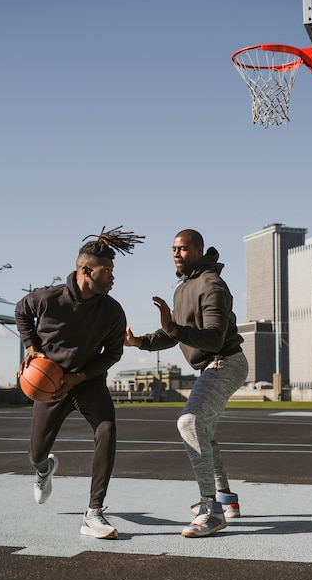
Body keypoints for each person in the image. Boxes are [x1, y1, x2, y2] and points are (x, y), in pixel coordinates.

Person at [15, 226, 144, 540]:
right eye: (107, 270)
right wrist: (33, 350)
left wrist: (80, 376)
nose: (113, 276)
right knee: (36, 455)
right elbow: (21, 310)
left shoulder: (112, 311)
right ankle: (44, 470)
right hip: (51, 384)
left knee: (107, 429)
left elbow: (113, 352)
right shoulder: (48, 298)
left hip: (87, 381)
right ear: (87, 270)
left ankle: (94, 512)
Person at [125, 229, 248, 538]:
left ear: (198, 250)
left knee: (189, 423)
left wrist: (175, 329)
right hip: (212, 365)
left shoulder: (212, 285)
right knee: (202, 430)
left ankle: (211, 511)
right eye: (173, 249)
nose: (176, 253)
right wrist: (138, 341)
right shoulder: (183, 289)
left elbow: (214, 336)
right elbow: (171, 333)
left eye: (182, 248)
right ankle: (226, 499)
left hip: (225, 361)